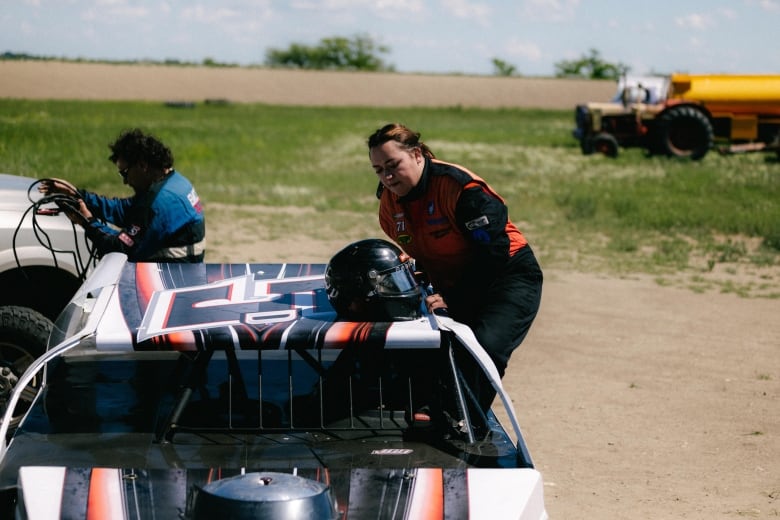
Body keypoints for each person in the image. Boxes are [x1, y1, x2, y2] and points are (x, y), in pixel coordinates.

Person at [366, 123, 543, 413]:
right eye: (378, 170)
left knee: (484, 345)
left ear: (418, 154)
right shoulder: (389, 202)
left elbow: (493, 254)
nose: (387, 176)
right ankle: (415, 405)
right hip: (456, 279)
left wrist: (454, 299)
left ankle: (462, 422)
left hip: (507, 274)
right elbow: (420, 250)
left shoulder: (461, 188)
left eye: (393, 165)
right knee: (423, 339)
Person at [39, 128, 206, 262]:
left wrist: (87, 222)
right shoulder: (171, 182)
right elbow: (123, 210)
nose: (125, 182)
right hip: (181, 273)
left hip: (170, 280)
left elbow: (121, 249)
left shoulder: (158, 203)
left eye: (124, 173)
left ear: (142, 165)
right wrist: (76, 194)